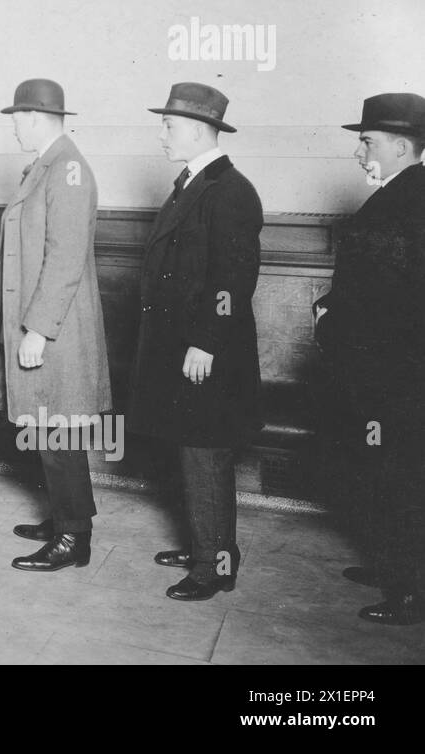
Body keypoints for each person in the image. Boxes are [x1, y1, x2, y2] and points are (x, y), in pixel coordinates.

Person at [126, 83, 262, 599]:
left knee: (205, 456)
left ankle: (212, 567)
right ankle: (208, 545)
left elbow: (233, 278)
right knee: (193, 453)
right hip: (184, 351)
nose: (162, 135)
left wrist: (205, 341)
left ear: (201, 130)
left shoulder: (230, 190)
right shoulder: (192, 184)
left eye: (170, 126)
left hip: (207, 355)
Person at [0, 79, 111, 572]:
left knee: (59, 430)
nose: (13, 126)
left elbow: (65, 257)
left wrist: (38, 329)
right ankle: (63, 517)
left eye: (15, 117)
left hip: (54, 327)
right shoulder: (46, 165)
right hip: (39, 320)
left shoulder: (69, 168)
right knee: (45, 427)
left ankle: (73, 538)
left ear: (34, 116)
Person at [314, 93, 425, 626]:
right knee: (386, 472)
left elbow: (387, 301)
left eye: (368, 141)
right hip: (388, 371)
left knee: (399, 477)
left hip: (393, 376)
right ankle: (391, 568)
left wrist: (329, 320)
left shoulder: (407, 201)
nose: (360, 153)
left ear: (402, 146)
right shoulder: (401, 195)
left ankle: (407, 591)